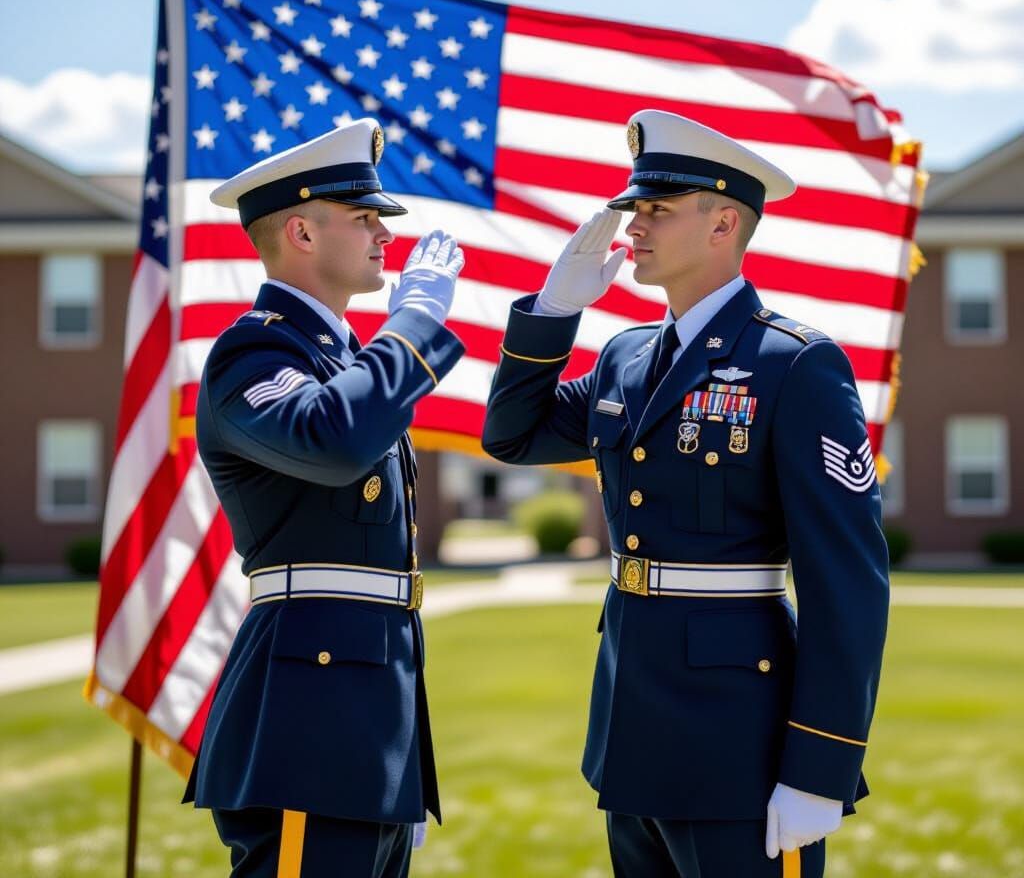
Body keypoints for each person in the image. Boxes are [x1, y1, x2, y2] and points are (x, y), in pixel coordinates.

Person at [482, 109, 889, 877]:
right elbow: (514, 434)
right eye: (635, 209)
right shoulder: (626, 356)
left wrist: (820, 765)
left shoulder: (796, 364)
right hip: (632, 730)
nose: (632, 227)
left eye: (657, 210)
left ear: (724, 222)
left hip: (742, 740)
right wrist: (553, 312)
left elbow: (849, 586)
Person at [183, 118, 466, 878]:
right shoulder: (255, 351)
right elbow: (333, 440)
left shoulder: (344, 359)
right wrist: (414, 325)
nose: (383, 234)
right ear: (302, 233)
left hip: (364, 723)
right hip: (309, 722)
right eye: (364, 216)